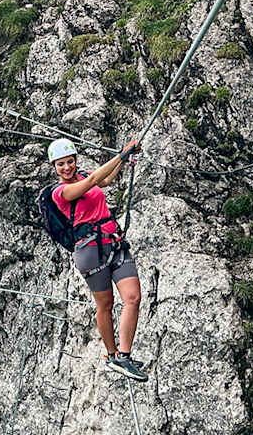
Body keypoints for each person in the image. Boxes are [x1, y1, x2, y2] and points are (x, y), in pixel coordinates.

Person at [46, 138, 147, 382]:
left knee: (133, 297)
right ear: (54, 166)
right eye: (61, 164)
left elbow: (105, 180)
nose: (67, 168)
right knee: (106, 304)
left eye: (70, 161)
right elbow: (92, 181)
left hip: (113, 241)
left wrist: (124, 161)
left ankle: (124, 356)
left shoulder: (82, 175)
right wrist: (121, 155)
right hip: (90, 250)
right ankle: (112, 355)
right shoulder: (60, 192)